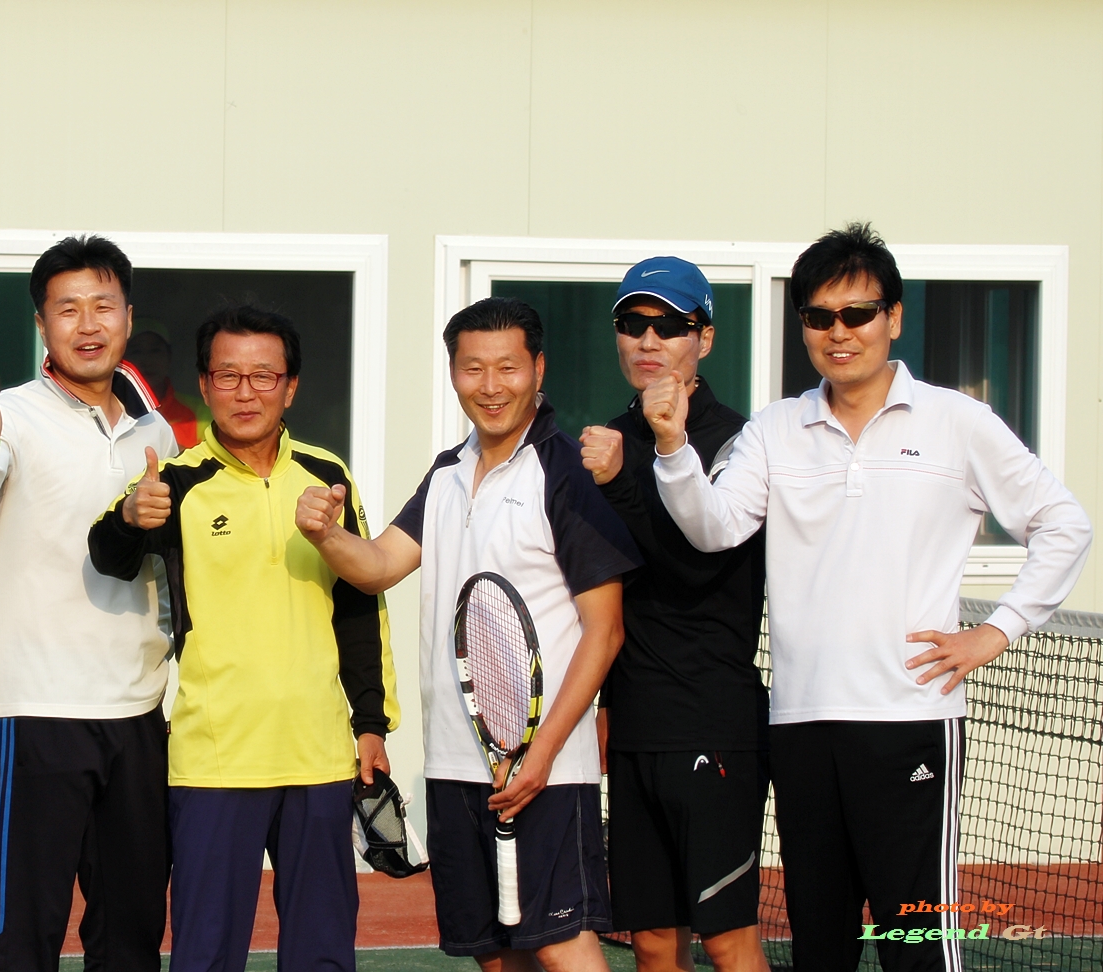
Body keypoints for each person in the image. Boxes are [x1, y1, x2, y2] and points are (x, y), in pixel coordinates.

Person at [643, 223, 1092, 971]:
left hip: (910, 721)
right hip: (801, 724)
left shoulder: (957, 421)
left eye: (858, 313)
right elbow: (714, 528)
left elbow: (1063, 524)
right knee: (822, 946)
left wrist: (999, 629)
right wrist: (670, 448)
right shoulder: (776, 428)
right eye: (819, 316)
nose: (839, 332)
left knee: (916, 946)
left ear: (894, 318)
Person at [294, 296, 639, 972]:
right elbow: (378, 566)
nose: (490, 386)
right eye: (473, 368)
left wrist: (542, 755)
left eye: (508, 367)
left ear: (538, 369)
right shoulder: (447, 472)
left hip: (545, 772)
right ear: (453, 374)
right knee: (495, 956)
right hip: (453, 765)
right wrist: (326, 535)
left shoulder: (565, 473)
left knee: (562, 947)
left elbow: (606, 631)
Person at [89, 305, 399, 972]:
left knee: (322, 956)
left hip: (318, 754)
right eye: (228, 375)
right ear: (204, 384)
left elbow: (360, 604)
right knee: (205, 955)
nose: (246, 392)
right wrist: (129, 517)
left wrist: (371, 724)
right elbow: (108, 556)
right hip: (215, 758)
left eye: (264, 376)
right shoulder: (174, 480)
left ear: (291, 387)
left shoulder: (326, 474)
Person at [0, 235, 178, 972]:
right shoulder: (8, 416)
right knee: (25, 937)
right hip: (33, 709)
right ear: (42, 324)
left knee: (132, 936)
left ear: (128, 317)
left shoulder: (155, 429)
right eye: (67, 308)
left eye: (104, 305)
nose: (88, 324)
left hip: (138, 709)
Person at [578, 258, 769, 972]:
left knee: (727, 938)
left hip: (712, 719)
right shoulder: (609, 438)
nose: (648, 340)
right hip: (634, 722)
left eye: (670, 325)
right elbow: (605, 585)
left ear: (705, 338)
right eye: (633, 323)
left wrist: (622, 480)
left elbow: (696, 567)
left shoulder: (742, 441)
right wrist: (601, 701)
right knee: (654, 942)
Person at [124, 317, 210, 448]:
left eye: (155, 351)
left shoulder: (200, 412)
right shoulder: (112, 409)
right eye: (136, 351)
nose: (147, 361)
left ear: (169, 356)